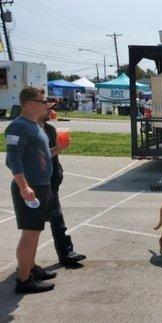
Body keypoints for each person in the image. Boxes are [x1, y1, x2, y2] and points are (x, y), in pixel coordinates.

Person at [5, 87, 67, 294]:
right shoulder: (18, 127)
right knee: (29, 234)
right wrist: (24, 187)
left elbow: (39, 156)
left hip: (42, 185)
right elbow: (12, 159)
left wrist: (57, 149)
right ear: (30, 103)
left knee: (35, 231)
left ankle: (31, 268)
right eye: (43, 101)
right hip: (30, 188)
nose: (46, 104)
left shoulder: (34, 126)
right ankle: (24, 280)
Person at [39, 106, 87, 267]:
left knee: (57, 219)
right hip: (36, 183)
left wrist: (58, 172)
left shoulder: (50, 129)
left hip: (51, 181)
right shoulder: (30, 130)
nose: (50, 110)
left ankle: (66, 252)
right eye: (46, 107)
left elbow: (54, 156)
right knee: (33, 226)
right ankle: (28, 265)